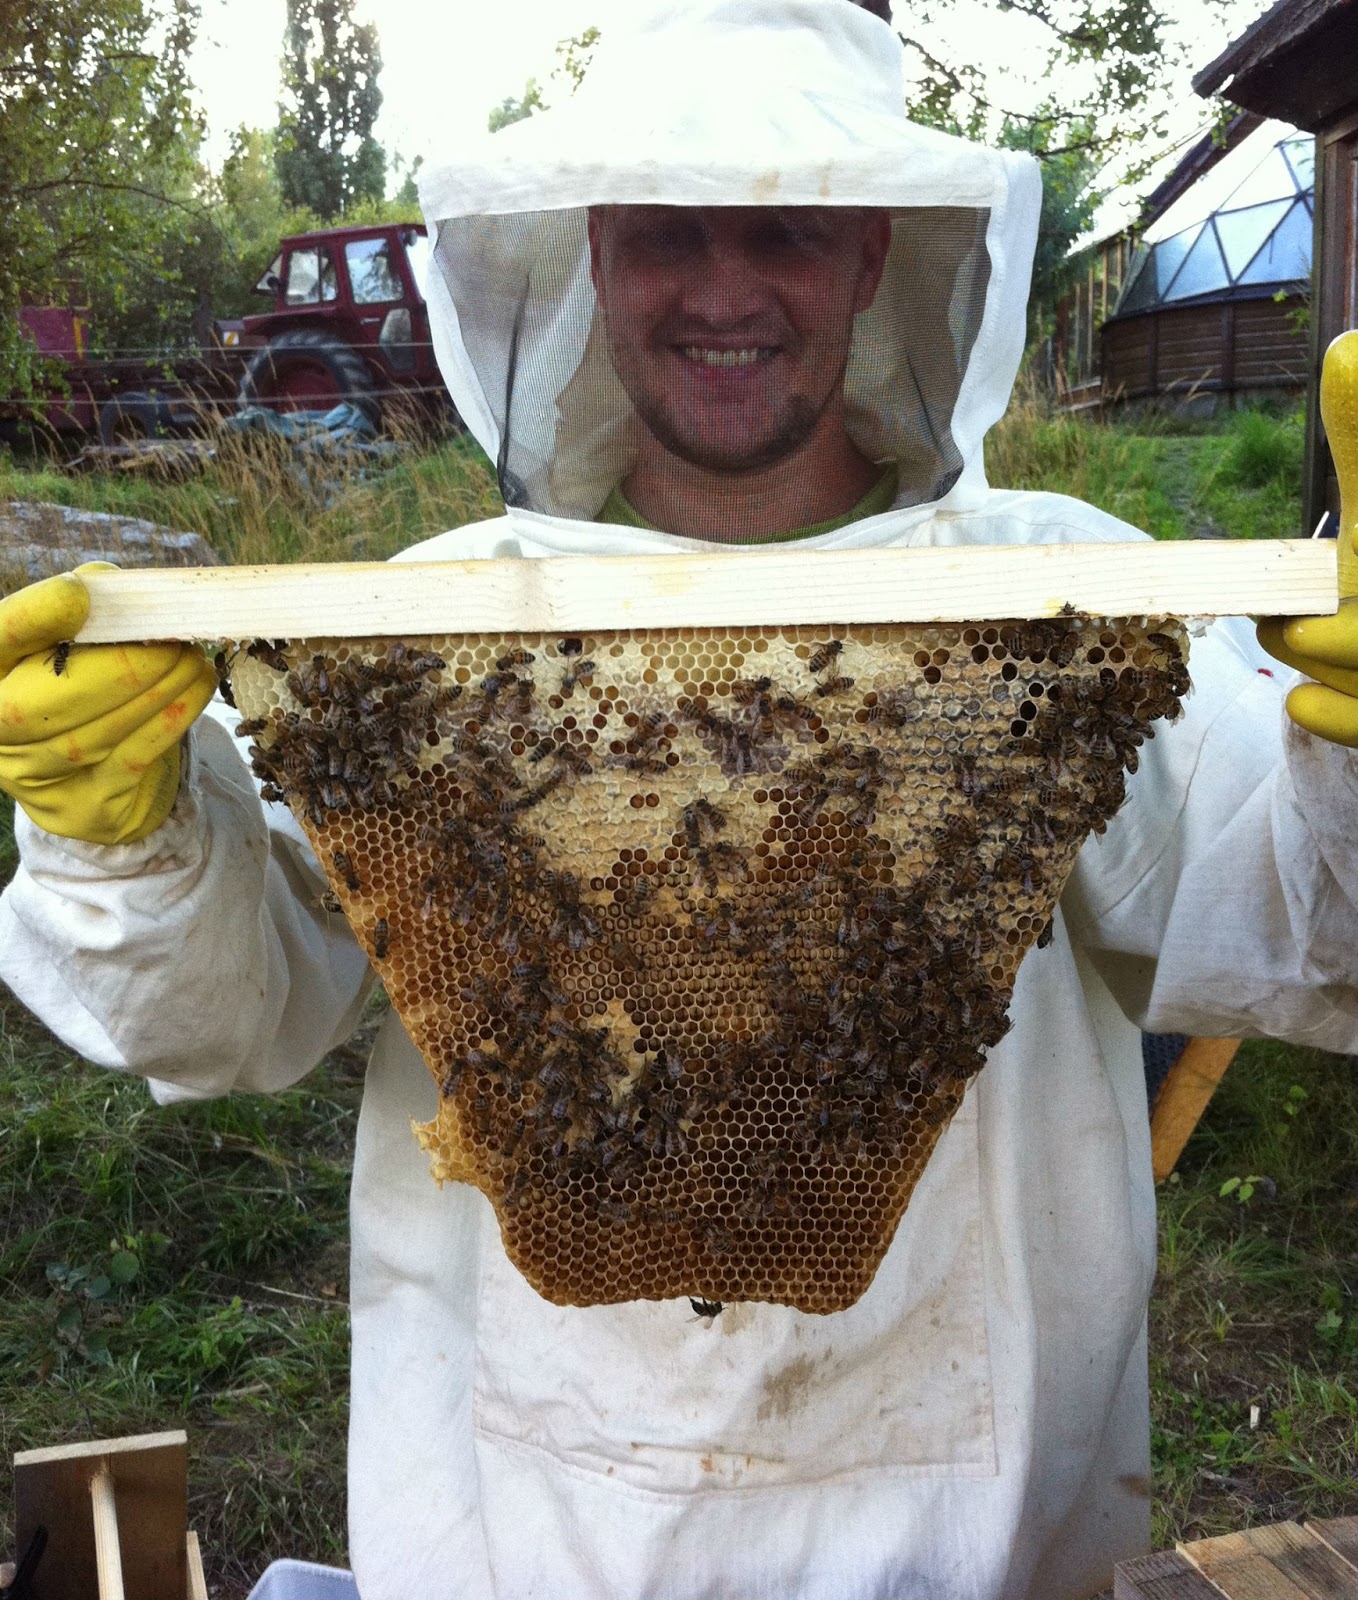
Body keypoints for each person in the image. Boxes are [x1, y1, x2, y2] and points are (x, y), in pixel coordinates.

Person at [2, 3, 1358, 1596]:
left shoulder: (1068, 597)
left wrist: (1345, 757)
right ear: (588, 248)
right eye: (664, 232)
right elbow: (226, 1023)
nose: (725, 286)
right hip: (524, 1516)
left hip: (971, 1510)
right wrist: (122, 837)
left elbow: (1307, 942)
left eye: (787, 225)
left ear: (874, 257)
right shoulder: (412, 631)